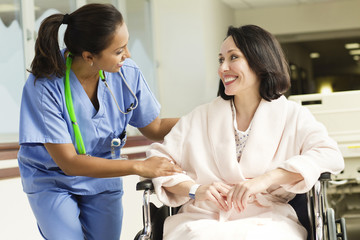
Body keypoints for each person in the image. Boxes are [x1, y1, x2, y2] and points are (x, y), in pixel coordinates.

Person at [148, 25, 345, 240]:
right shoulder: (200, 117)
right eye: (221, 59)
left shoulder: (292, 115)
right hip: (203, 219)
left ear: (260, 62)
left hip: (269, 220)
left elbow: (329, 154)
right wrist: (196, 189)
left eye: (233, 57)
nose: (223, 68)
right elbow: (158, 161)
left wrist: (267, 179)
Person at [17, 3, 182, 240]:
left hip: (103, 177)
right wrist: (139, 166)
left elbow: (153, 128)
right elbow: (70, 163)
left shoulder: (127, 72)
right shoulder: (44, 86)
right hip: (53, 179)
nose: (128, 55)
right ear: (89, 56)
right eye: (119, 50)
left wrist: (204, 120)